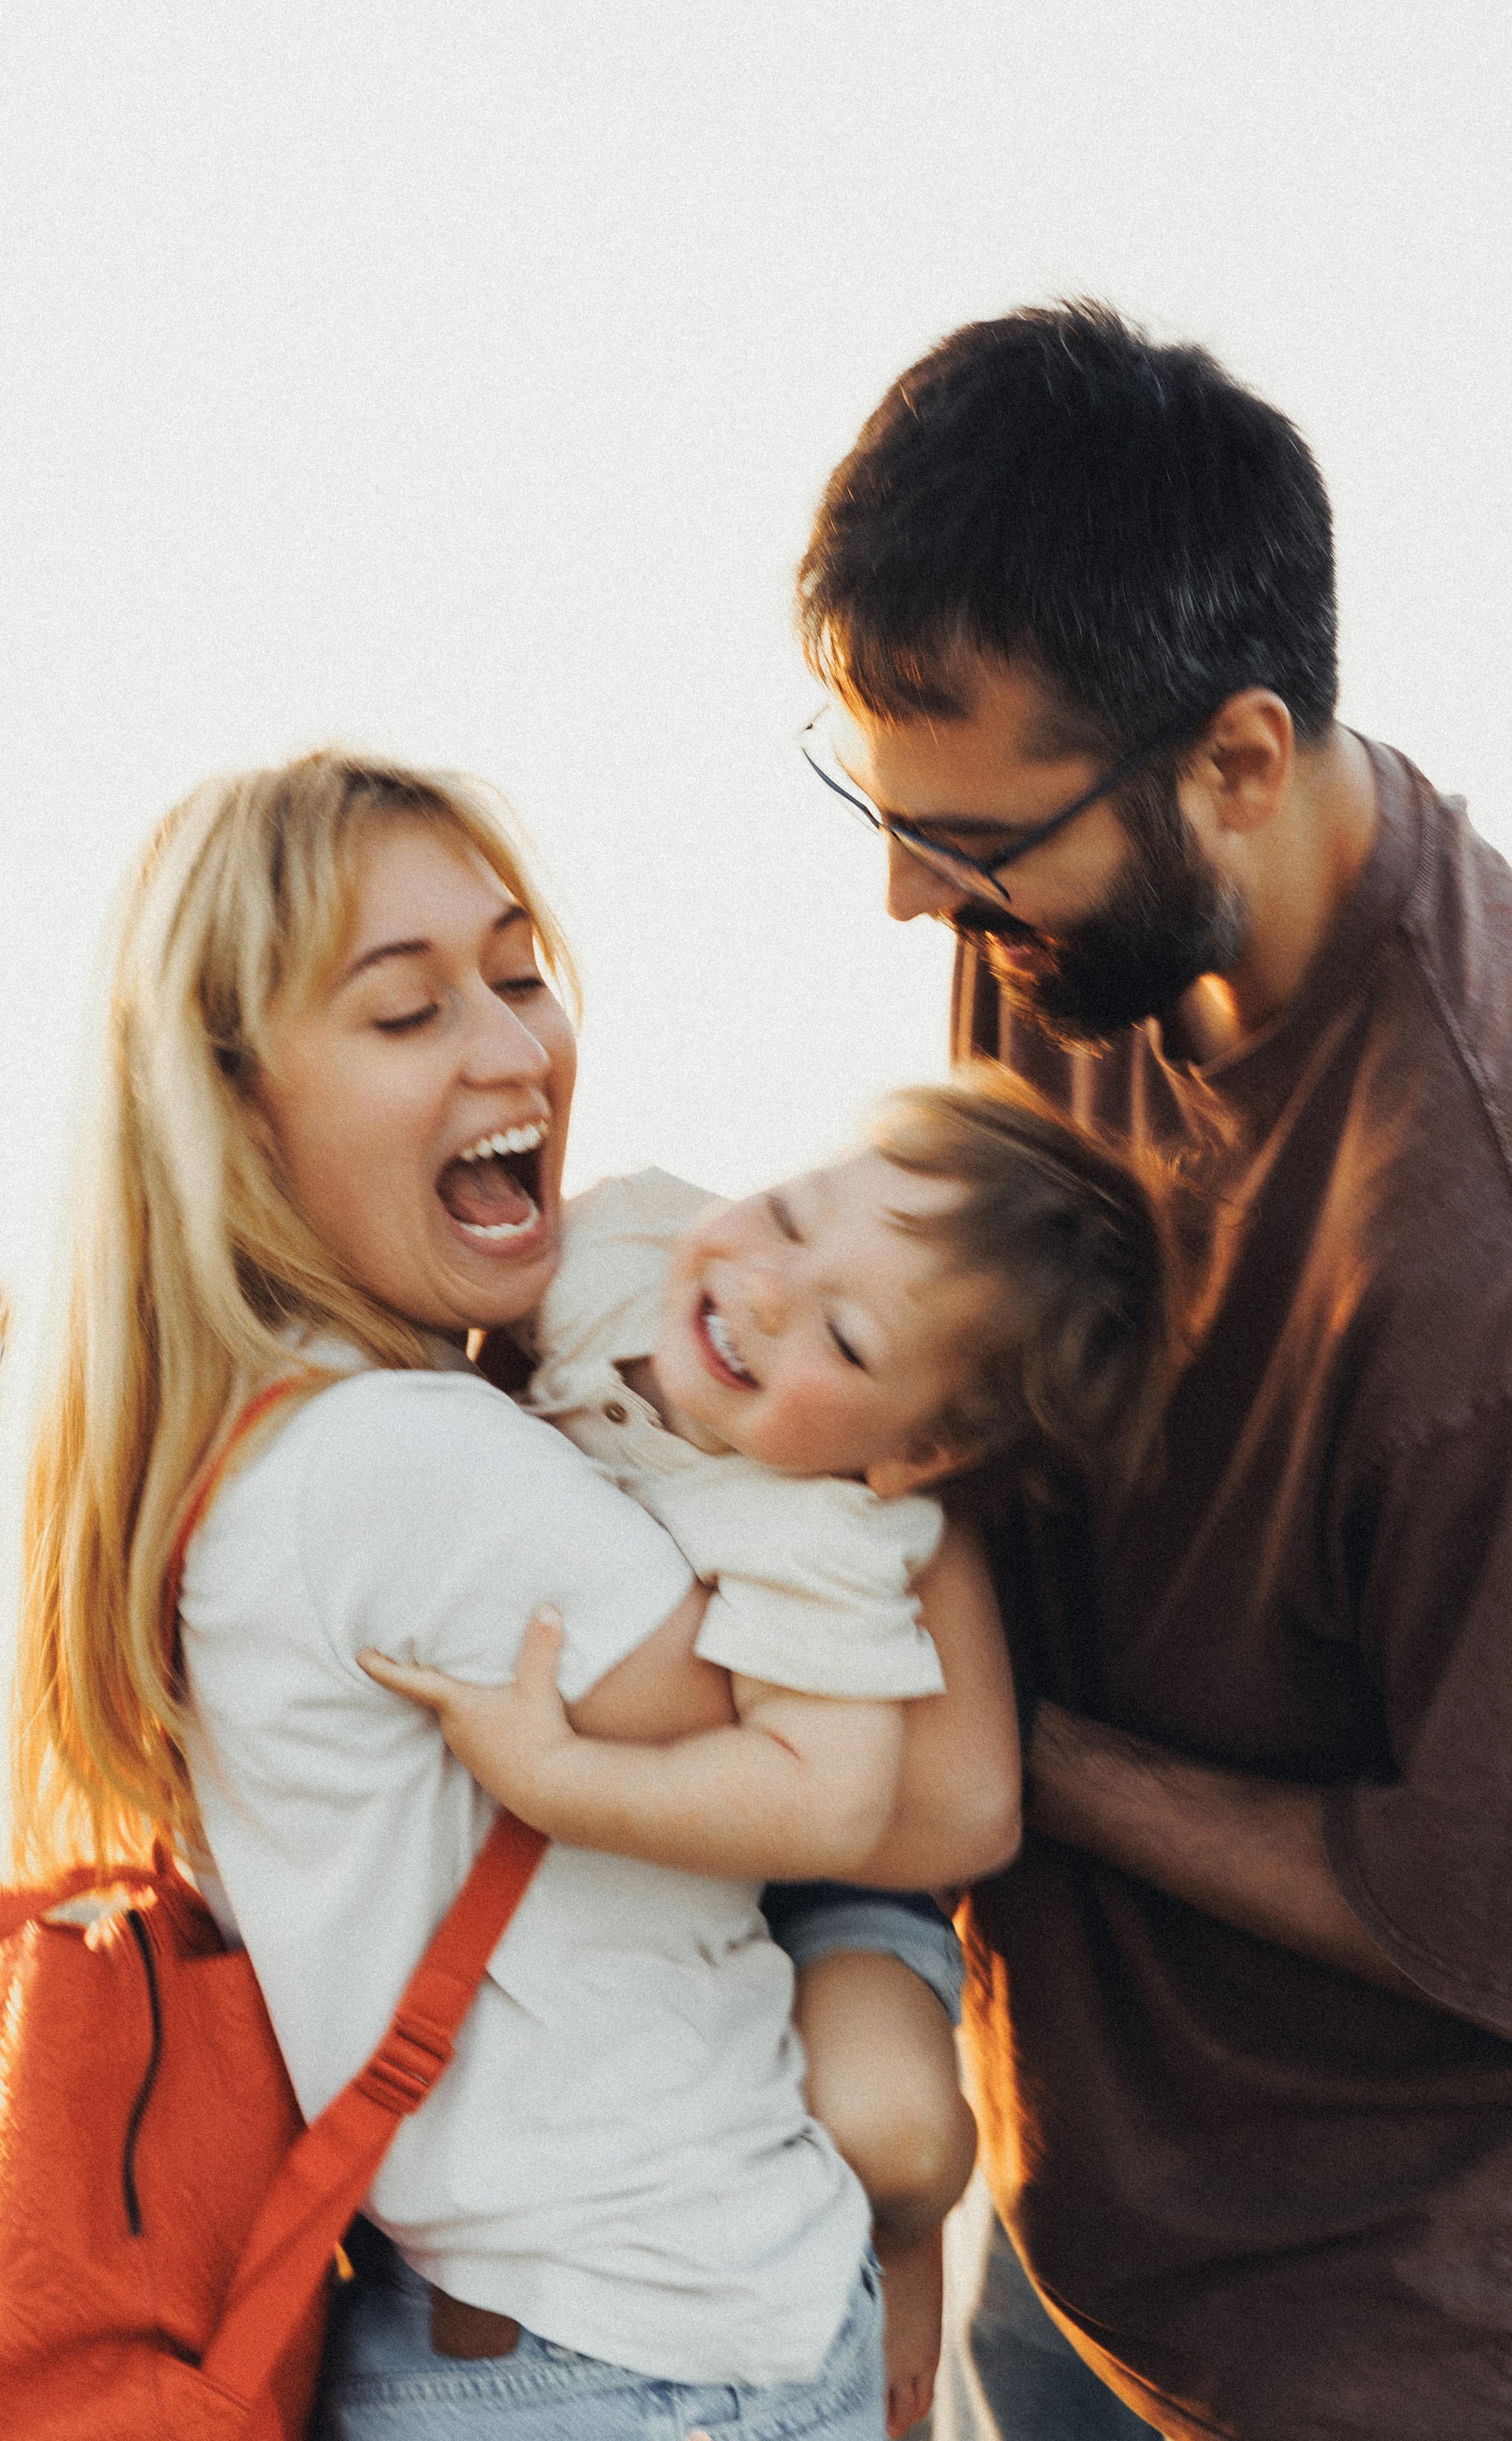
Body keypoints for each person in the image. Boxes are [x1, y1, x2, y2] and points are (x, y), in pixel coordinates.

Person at [792, 299, 1512, 2441]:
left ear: (1237, 762)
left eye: (972, 846)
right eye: (888, 815)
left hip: (1394, 2343)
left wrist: (1025, 1758)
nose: (909, 899)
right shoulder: (1074, 922)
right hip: (1076, 2225)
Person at [10, 749, 1023, 2441]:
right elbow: (939, 1798)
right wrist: (910, 1421)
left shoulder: (289, 1433)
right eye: (407, 1013)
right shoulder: (411, 1468)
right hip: (646, 2366)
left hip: (524, 2344)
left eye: (516, 972)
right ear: (236, 1104)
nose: (512, 1049)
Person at [359, 1072, 1171, 2433]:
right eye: (789, 1213)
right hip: (682, 1835)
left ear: (915, 1453)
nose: (768, 1292)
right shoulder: (624, 1248)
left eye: (844, 1337)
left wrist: (554, 1776)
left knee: (888, 2127)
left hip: (822, 1854)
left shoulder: (826, 1538)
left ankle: (893, 2242)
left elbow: (831, 1804)